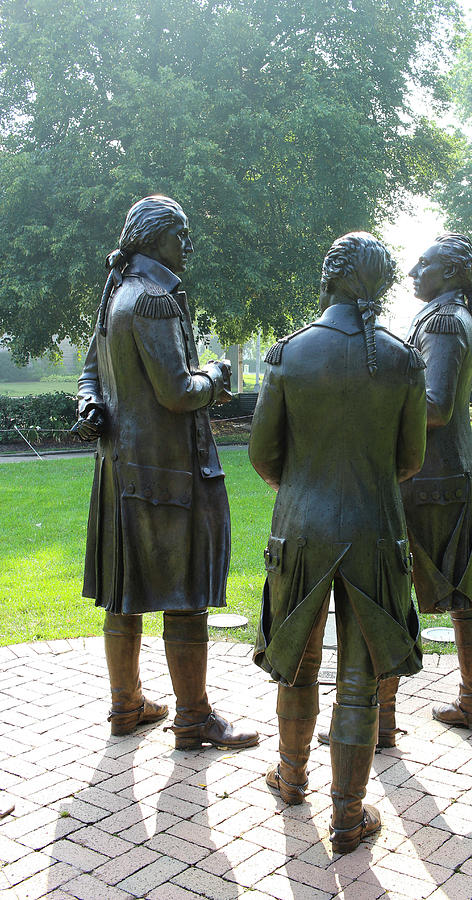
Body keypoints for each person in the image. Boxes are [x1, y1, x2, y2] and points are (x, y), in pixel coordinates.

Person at [249, 232, 427, 853]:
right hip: (377, 532)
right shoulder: (403, 358)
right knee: (358, 681)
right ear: (378, 285)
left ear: (328, 277)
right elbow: (410, 459)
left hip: (300, 531)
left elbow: (262, 455)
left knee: (295, 663)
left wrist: (302, 487)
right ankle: (348, 816)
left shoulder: (290, 354)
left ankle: (292, 778)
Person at [75, 195, 258, 751]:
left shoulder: (116, 294)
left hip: (119, 470)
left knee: (123, 592)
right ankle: (193, 717)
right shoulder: (153, 300)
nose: (188, 243)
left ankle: (125, 704)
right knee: (185, 595)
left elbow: (89, 374)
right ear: (156, 237)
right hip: (167, 471)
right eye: (181, 233)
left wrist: (91, 405)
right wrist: (217, 374)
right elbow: (179, 393)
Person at [399, 232, 472, 734]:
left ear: (453, 274)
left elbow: (433, 407)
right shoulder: (454, 317)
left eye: (426, 263)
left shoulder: (440, 321)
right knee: (462, 600)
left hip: (430, 479)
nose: (414, 270)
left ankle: (379, 720)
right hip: (454, 471)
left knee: (390, 592)